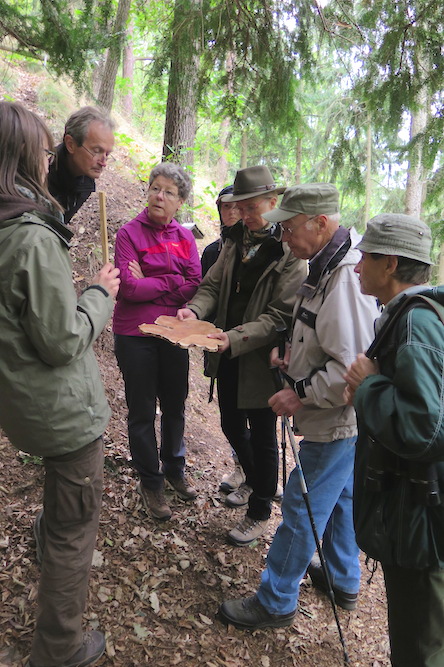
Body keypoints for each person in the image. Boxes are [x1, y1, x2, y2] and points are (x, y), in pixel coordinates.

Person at [218, 183, 379, 628]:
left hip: (335, 417)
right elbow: (319, 334)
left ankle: (275, 599)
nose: (284, 238)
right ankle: (345, 579)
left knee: (302, 504)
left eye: (289, 228)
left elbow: (351, 368)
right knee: (340, 498)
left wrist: (299, 392)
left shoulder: (345, 277)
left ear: (321, 223)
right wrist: (289, 352)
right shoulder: (323, 266)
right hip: (335, 416)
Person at [0, 101, 120, 667]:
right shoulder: (27, 236)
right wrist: (97, 294)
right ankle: (59, 648)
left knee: (61, 508)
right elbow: (60, 339)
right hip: (60, 411)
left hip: (22, 401)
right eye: (44, 149)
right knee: (75, 530)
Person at [178, 165, 307, 546]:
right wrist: (195, 311)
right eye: (240, 207)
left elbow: (280, 316)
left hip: (262, 360)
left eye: (253, 208)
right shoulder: (234, 240)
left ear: (273, 203)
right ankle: (256, 482)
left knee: (264, 434)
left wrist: (234, 338)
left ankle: (261, 508)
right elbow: (213, 284)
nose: (246, 215)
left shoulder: (289, 253)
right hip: (226, 351)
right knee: (232, 426)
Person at [343, 214, 444, 667]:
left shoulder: (415, 326)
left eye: (366, 256)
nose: (358, 264)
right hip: (419, 518)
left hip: (425, 526)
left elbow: (425, 429)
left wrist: (368, 388)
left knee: (422, 645)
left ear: (391, 263)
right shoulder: (409, 318)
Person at [113, 162, 201, 522]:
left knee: (176, 404)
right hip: (135, 335)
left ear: (180, 201)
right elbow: (129, 289)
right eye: (154, 188)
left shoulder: (185, 237)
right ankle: (151, 481)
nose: (158, 196)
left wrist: (154, 277)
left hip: (174, 334)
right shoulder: (128, 234)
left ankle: (174, 469)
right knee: (142, 409)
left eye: (168, 192)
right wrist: (170, 282)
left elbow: (195, 282)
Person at [201, 185, 246, 493]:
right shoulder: (212, 252)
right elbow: (207, 293)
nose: (230, 213)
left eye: (235, 207)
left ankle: (258, 478)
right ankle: (243, 467)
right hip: (221, 344)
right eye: (224, 208)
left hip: (252, 346)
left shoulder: (264, 249)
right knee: (230, 417)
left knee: (255, 419)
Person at [48, 106, 115, 224]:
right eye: (96, 151)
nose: (103, 163)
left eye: (107, 154)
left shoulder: (86, 183)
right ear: (71, 144)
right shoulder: (40, 171)